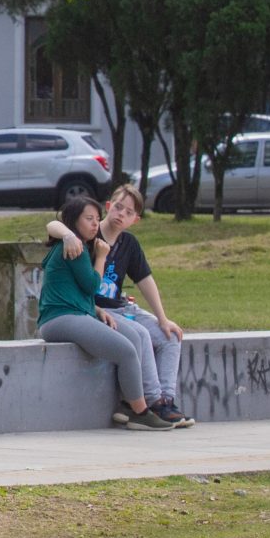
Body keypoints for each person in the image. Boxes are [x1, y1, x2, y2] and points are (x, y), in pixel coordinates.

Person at [36, 196, 174, 430]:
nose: (94, 224)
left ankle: (129, 401)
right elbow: (92, 286)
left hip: (75, 314)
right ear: (73, 222)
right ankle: (139, 412)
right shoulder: (75, 248)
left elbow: (79, 292)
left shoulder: (73, 244)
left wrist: (97, 310)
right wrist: (101, 257)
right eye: (88, 219)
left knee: (133, 335)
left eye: (97, 219)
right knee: (127, 351)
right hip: (60, 319)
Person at [102, 182, 191, 427]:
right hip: (99, 310)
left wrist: (162, 318)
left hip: (121, 307)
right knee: (140, 334)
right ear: (108, 206)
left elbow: (145, 280)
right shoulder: (91, 235)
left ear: (135, 220)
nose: (121, 214)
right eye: (118, 207)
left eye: (128, 212)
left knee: (170, 336)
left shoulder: (128, 244)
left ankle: (167, 401)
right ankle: (152, 403)